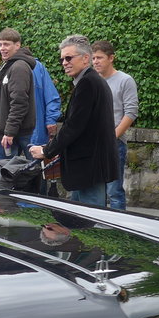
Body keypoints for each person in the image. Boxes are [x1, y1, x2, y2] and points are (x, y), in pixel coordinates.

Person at [29, 35, 118, 206]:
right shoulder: (90, 81)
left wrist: (47, 151)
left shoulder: (88, 83)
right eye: (62, 59)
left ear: (86, 58)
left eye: (68, 57)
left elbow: (74, 127)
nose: (64, 62)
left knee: (89, 223)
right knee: (78, 220)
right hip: (88, 166)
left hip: (88, 167)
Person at [91, 40, 139, 211]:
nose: (95, 61)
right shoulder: (92, 80)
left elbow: (131, 112)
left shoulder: (125, 80)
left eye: (99, 57)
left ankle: (119, 233)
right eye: (93, 58)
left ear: (111, 58)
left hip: (114, 144)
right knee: (95, 192)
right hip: (93, 143)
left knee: (114, 191)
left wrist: (112, 137)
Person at [0, 27, 37, 160]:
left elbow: (19, 102)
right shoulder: (8, 65)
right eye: (0, 44)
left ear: (18, 45)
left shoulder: (19, 67)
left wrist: (9, 131)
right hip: (4, 132)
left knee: (4, 177)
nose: (2, 48)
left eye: (6, 44)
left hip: (12, 135)